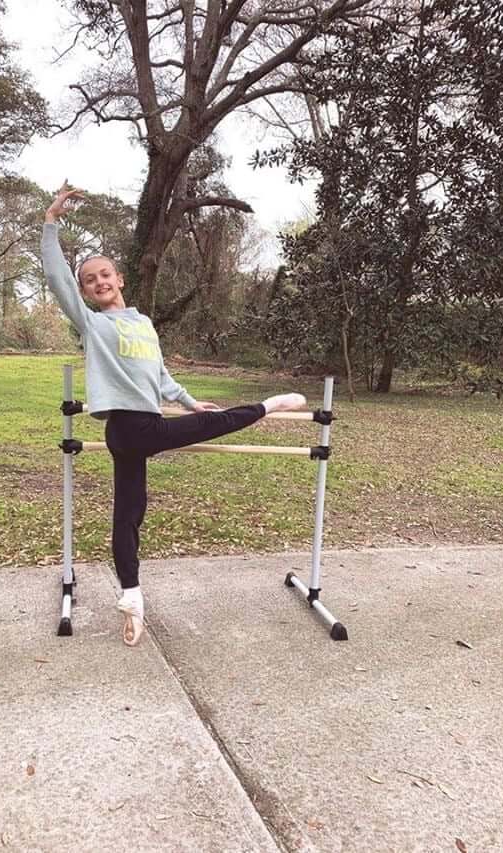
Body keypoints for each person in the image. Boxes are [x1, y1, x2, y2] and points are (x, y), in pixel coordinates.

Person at [42, 182, 307, 647]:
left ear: (120, 278)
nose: (99, 282)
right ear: (84, 291)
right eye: (90, 279)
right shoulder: (93, 325)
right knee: (215, 424)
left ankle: (132, 599)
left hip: (142, 425)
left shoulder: (143, 324)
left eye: (106, 274)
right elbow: (57, 278)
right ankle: (268, 404)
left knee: (129, 515)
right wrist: (51, 221)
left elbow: (159, 376)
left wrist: (186, 401)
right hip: (129, 426)